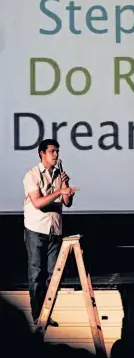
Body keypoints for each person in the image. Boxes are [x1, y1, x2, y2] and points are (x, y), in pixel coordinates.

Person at [23, 139, 78, 326]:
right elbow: (37, 203)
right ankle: (38, 314)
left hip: (55, 229)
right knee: (36, 272)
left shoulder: (58, 174)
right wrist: (59, 191)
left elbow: (67, 203)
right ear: (42, 153)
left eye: (57, 151)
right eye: (53, 151)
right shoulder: (32, 175)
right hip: (36, 228)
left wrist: (67, 190)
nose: (56, 155)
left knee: (54, 275)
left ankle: (46, 313)